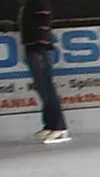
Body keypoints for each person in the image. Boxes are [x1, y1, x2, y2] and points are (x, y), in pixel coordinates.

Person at [18, 0, 69, 143]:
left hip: (38, 49)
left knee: (47, 87)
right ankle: (49, 124)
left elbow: (44, 24)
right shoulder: (29, 4)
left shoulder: (39, 2)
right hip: (32, 47)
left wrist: (39, 47)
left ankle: (59, 127)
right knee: (42, 87)